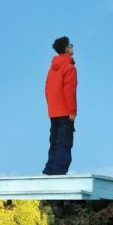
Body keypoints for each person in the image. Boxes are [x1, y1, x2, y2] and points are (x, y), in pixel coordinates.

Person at [42, 35, 77, 176]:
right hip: (65, 112)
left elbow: (47, 89)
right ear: (67, 48)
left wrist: (51, 107)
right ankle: (59, 171)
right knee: (65, 142)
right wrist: (72, 110)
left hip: (53, 111)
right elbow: (70, 90)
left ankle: (49, 169)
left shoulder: (52, 69)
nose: (72, 48)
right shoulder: (69, 68)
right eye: (71, 45)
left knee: (54, 141)